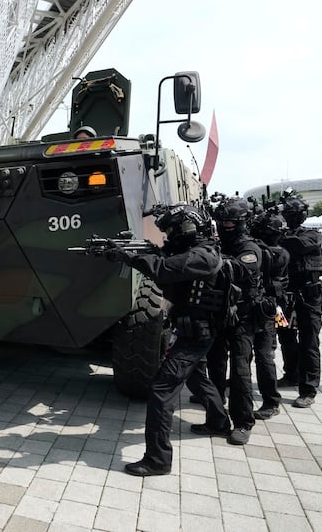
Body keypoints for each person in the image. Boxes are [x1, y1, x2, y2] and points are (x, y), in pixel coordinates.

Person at [102, 204, 230, 476]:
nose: (170, 235)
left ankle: (158, 459)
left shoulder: (203, 256)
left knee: (161, 390)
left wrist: (128, 257)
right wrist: (143, 249)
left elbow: (163, 269)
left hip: (197, 334)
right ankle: (219, 422)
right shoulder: (198, 251)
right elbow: (166, 261)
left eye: (172, 229)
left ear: (188, 228)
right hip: (193, 331)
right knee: (196, 377)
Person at [206, 197, 262, 445]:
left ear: (241, 223)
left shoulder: (250, 248)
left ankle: (243, 422)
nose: (224, 226)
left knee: (239, 371)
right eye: (221, 221)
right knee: (215, 367)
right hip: (219, 314)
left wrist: (210, 261)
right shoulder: (217, 244)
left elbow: (239, 269)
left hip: (243, 317)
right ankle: (216, 419)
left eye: (229, 222)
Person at [277, 196, 322, 407]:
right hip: (286, 296)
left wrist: (274, 238)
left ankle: (308, 389)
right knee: (285, 334)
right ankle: (291, 374)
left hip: (309, 296)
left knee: (309, 342)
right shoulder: (282, 234)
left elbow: (298, 245)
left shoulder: (311, 235)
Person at [249, 210, 290, 419]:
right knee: (258, 354)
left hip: (263, 308)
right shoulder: (282, 251)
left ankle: (271, 401)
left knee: (264, 356)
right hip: (270, 308)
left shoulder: (265, 252)